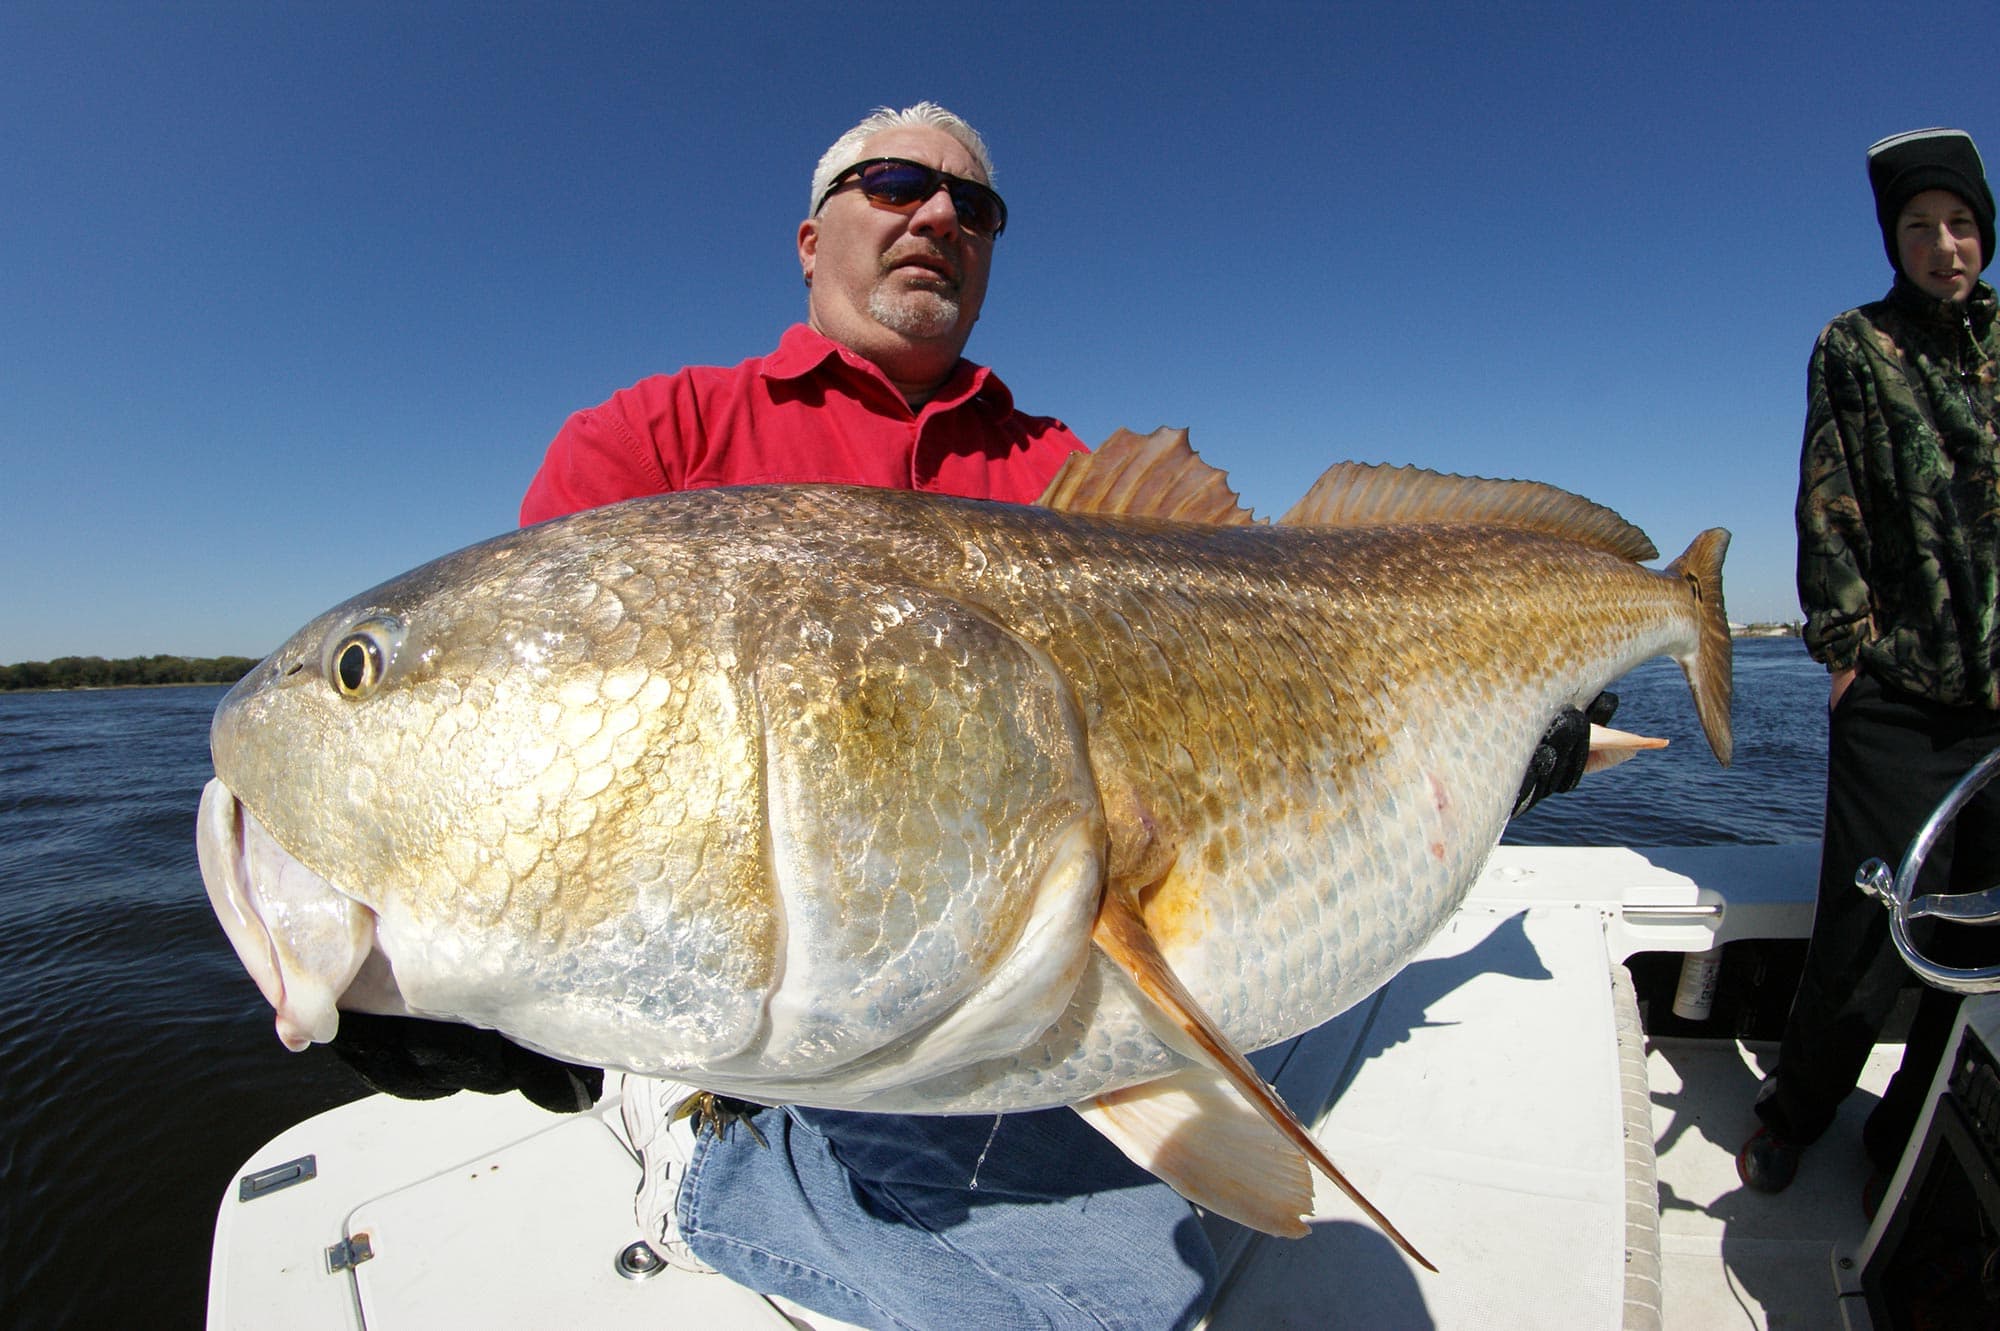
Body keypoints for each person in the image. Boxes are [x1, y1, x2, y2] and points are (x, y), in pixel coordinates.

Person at [331, 101, 1602, 1330]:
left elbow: (1268, 665)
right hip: (809, 1003)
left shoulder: (1067, 479)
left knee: (1278, 1044)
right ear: (809, 237)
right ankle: (722, 1164)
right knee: (1103, 1299)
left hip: (1016, 960)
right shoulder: (656, 443)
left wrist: (1485, 736)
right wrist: (389, 924)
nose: (936, 210)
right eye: (892, 184)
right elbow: (519, 723)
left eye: (971, 202)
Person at [1738, 127, 2000, 1204]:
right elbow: (1825, 498)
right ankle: (1792, 1111)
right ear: (1890, 240)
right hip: (1897, 691)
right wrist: (1847, 653)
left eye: (1961, 224)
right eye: (1918, 227)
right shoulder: (1854, 342)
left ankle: (1909, 1121)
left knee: (1978, 930)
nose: (1944, 246)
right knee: (1861, 927)